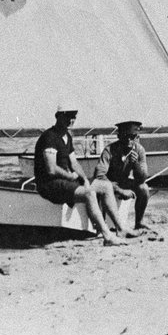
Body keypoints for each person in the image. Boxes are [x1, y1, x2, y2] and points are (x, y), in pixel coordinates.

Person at [33, 104, 138, 245]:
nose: (71, 120)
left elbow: (74, 163)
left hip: (66, 181)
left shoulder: (66, 136)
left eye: (74, 116)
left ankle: (121, 228)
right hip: (50, 184)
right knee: (89, 193)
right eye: (68, 116)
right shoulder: (49, 137)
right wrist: (69, 176)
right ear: (58, 116)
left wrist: (84, 179)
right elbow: (51, 169)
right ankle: (107, 236)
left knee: (106, 186)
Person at [93, 120, 150, 230]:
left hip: (123, 181)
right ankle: (101, 226)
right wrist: (119, 190)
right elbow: (99, 175)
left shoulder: (139, 150)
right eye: (126, 137)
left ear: (136, 137)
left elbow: (142, 178)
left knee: (144, 188)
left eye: (132, 137)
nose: (129, 141)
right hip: (108, 182)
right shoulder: (109, 150)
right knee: (100, 188)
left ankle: (139, 223)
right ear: (119, 136)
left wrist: (136, 164)